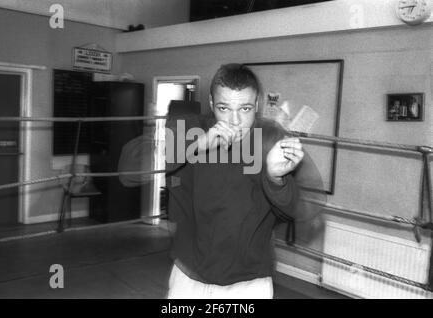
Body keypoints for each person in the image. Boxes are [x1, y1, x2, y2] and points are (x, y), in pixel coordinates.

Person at [118, 63, 323, 299]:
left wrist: (277, 179)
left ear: (257, 105)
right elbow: (129, 172)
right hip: (190, 277)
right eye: (224, 108)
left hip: (249, 283)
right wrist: (196, 146)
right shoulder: (189, 129)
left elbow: (303, 209)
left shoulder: (270, 137)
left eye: (245, 108)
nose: (234, 121)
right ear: (212, 103)